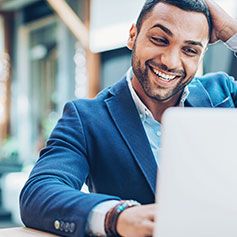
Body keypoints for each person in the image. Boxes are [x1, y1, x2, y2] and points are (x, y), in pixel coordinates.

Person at [20, 0, 237, 236]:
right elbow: (39, 192)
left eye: (190, 50)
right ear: (133, 36)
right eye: (160, 40)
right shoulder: (86, 118)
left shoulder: (222, 92)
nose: (171, 61)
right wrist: (116, 215)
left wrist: (232, 32)